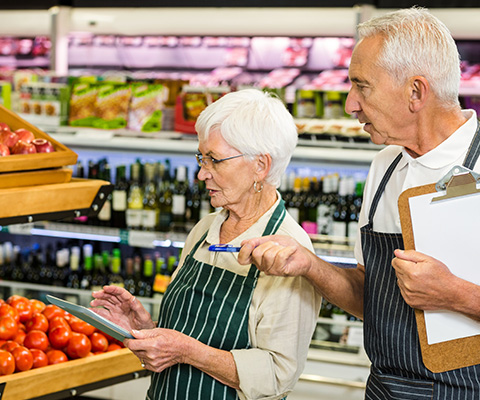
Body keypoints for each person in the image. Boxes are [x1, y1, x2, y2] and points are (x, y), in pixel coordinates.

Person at [238, 7, 480, 399]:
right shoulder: (386, 166)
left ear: (416, 91)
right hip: (387, 388)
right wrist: (309, 264)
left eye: (361, 86)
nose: (351, 104)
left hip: (479, 391)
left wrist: (456, 294)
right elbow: (376, 299)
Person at [90, 89, 321, 400]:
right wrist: (145, 327)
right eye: (201, 157)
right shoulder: (204, 230)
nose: (201, 173)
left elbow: (278, 373)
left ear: (261, 166)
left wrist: (187, 352)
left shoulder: (289, 252)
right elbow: (189, 334)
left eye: (215, 160)